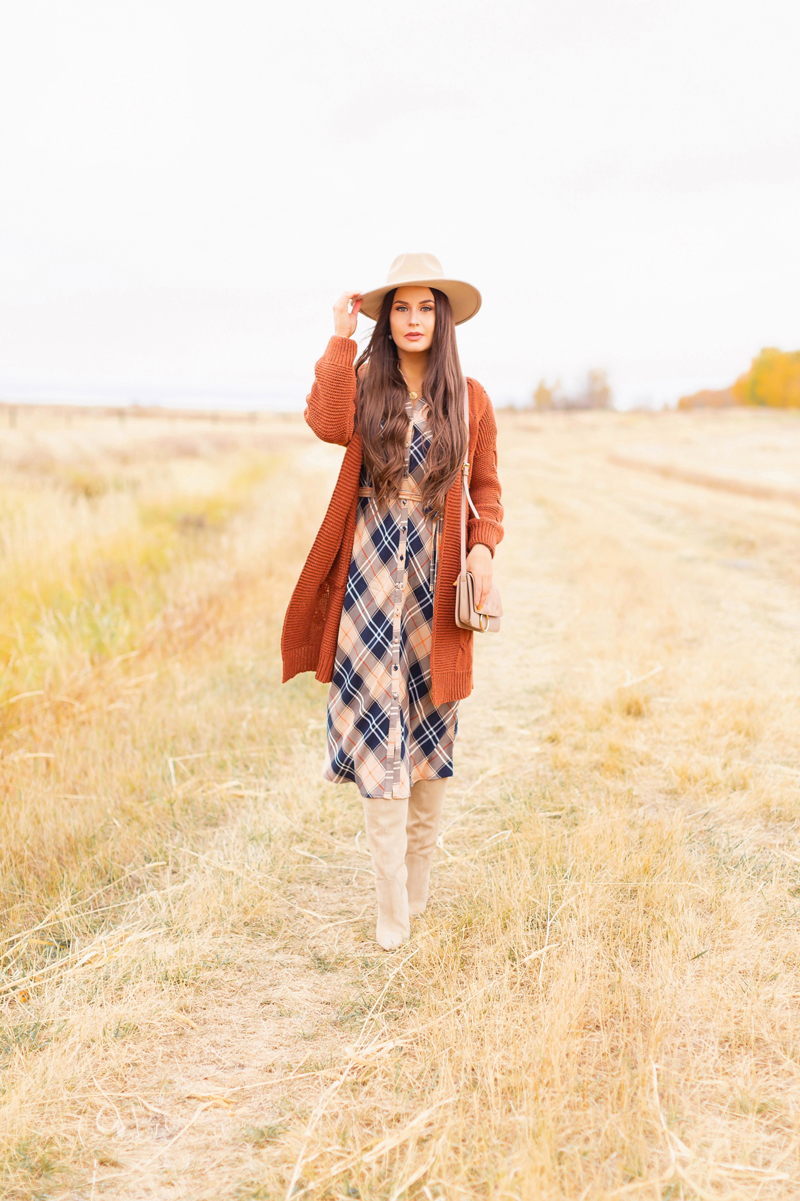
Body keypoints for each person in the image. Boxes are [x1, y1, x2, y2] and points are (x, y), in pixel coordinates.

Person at [281, 253, 503, 950]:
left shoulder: (470, 398)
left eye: (425, 307)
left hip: (434, 587)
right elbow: (323, 420)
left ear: (442, 318)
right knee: (381, 738)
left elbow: (489, 491)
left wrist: (482, 547)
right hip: (370, 583)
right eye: (400, 308)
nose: (413, 320)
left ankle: (416, 883)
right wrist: (340, 334)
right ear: (388, 318)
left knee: (432, 740)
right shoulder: (365, 385)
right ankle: (390, 910)